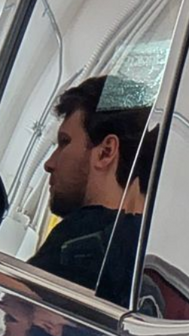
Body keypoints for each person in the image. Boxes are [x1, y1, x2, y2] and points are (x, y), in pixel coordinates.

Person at [28, 77, 153, 302]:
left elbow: (15, 303)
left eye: (65, 142)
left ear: (106, 152)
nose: (49, 163)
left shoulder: (79, 240)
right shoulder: (148, 256)